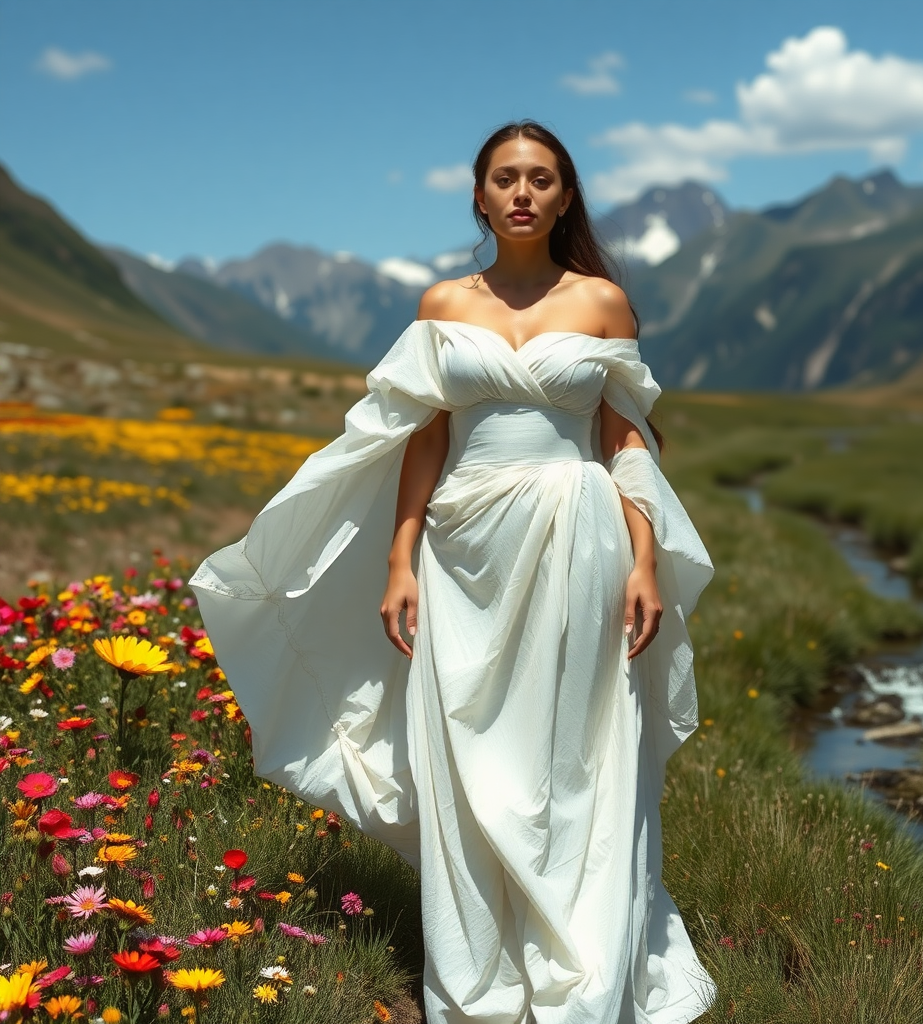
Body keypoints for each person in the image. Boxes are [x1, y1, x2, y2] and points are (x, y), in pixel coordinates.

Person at [189, 120, 716, 1024]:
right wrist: (399, 556)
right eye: (505, 178)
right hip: (459, 545)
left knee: (579, 748)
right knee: (465, 750)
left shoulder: (603, 304)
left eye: (541, 179)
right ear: (479, 196)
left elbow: (626, 438)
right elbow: (422, 434)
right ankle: (480, 965)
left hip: (578, 535)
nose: (522, 192)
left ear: (564, 197)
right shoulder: (441, 304)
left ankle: (586, 969)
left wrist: (644, 561)